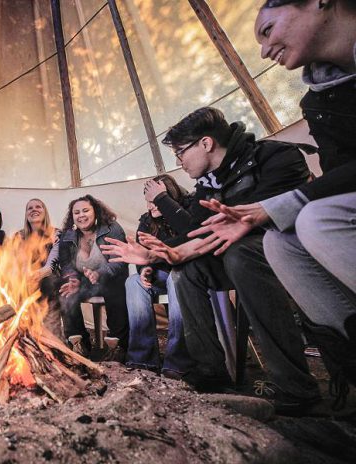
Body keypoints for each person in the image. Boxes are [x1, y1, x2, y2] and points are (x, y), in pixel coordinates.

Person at [187, 0, 356, 406]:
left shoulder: (273, 155)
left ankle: (292, 382)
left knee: (300, 226)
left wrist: (267, 211)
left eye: (267, 31)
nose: (263, 51)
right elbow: (199, 231)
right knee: (270, 245)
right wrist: (166, 253)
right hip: (278, 235)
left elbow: (311, 198)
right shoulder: (319, 102)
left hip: (281, 236)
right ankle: (345, 368)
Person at [102, 107, 321, 414]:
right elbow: (197, 232)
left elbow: (263, 223)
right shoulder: (210, 184)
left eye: (181, 153)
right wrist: (157, 255)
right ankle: (210, 373)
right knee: (185, 271)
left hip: (290, 253)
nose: (179, 162)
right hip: (234, 257)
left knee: (240, 255)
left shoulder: (273, 157)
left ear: (205, 144)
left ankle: (296, 388)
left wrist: (165, 245)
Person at [125, 175, 194, 379]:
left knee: (176, 278)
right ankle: (142, 360)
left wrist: (159, 255)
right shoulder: (146, 222)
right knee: (133, 282)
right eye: (148, 200)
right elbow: (141, 254)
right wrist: (144, 270)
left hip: (187, 274)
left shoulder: (186, 213)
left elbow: (192, 239)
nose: (151, 205)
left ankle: (177, 362)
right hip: (159, 275)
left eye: (156, 200)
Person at [58, 195, 129, 357]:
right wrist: (73, 279)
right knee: (64, 289)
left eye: (85, 210)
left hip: (109, 279)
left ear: (95, 211)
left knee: (115, 286)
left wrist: (99, 273)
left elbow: (119, 262)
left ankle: (117, 344)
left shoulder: (112, 228)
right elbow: (66, 265)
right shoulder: (68, 235)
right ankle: (78, 342)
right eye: (76, 212)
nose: (81, 215)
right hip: (84, 283)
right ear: (72, 216)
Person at [18, 199, 62, 338]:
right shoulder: (19, 236)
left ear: (45, 212)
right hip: (26, 280)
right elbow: (18, 263)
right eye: (29, 208)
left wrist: (38, 274)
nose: (34, 210)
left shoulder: (56, 233)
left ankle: (52, 334)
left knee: (48, 281)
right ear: (26, 214)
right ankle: (24, 333)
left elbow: (52, 264)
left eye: (38, 207)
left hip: (50, 277)